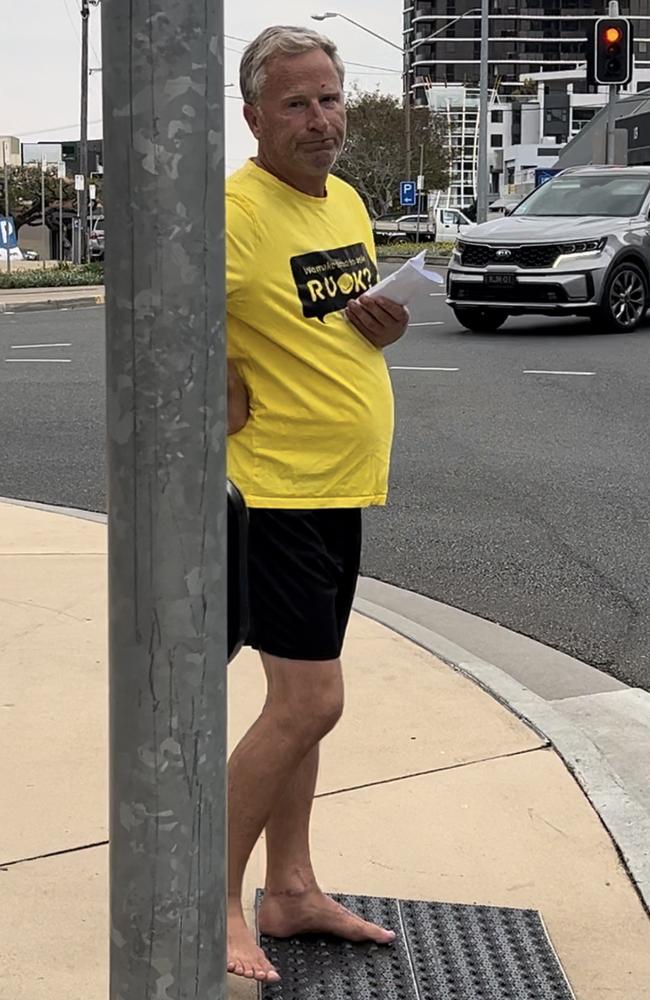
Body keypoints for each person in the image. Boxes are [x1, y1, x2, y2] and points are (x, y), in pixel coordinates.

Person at [226, 25, 410, 984]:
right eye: (296, 103)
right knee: (310, 700)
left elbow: (322, 321)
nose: (321, 120)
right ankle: (204, 895)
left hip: (341, 487)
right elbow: (161, 316)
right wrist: (214, 371)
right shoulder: (232, 211)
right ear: (252, 113)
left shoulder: (343, 200)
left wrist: (382, 329)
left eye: (331, 97)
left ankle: (290, 889)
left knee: (302, 708)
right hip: (277, 492)